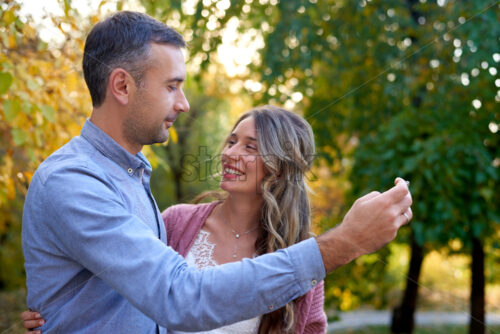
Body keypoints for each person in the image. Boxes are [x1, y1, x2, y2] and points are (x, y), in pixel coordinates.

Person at [21, 11, 413, 334]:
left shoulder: (131, 178)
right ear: (122, 86)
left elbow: (128, 295)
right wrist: (344, 242)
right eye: (172, 86)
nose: (185, 104)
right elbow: (177, 297)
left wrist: (65, 309)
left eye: (252, 147)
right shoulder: (74, 181)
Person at [23, 105, 327, 333]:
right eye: (232, 141)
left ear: (281, 167)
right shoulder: (177, 222)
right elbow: (123, 285)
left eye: (251, 147)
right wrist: (59, 312)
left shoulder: (301, 255)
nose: (230, 153)